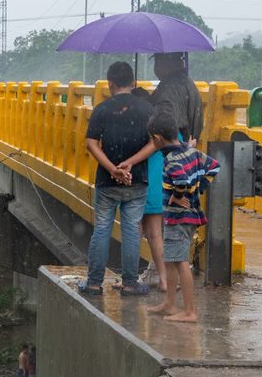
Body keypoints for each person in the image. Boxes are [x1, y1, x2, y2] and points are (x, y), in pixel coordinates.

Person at [78, 61, 154, 296]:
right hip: (137, 179)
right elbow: (155, 142)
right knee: (131, 230)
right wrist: (130, 163)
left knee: (102, 229)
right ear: (133, 83)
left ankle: (93, 283)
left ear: (110, 83)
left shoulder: (102, 109)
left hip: (107, 181)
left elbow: (91, 143)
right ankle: (130, 283)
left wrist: (113, 169)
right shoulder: (147, 109)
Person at [133, 52, 205, 290]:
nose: (156, 67)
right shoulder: (186, 84)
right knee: (169, 223)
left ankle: (166, 279)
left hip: (165, 158)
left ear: (169, 62)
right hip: (186, 152)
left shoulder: (170, 89)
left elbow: (163, 128)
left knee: (157, 221)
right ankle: (165, 276)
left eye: (158, 61)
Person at [145, 111, 219, 322]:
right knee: (171, 259)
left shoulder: (171, 159)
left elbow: (180, 180)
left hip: (179, 218)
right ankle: (169, 304)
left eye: (152, 139)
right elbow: (214, 167)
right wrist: (199, 189)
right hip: (189, 216)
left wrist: (179, 196)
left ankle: (189, 311)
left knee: (180, 262)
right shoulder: (190, 152)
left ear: (157, 138)